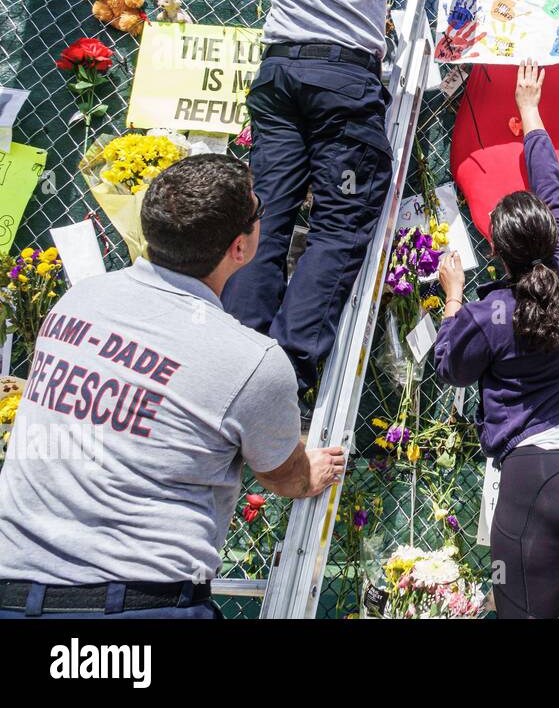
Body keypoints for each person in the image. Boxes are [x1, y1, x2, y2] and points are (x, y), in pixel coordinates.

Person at [222, 0, 494, 407]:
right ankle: (287, 373)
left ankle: (236, 348)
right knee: (341, 224)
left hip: (279, 75)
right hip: (339, 80)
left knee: (266, 214)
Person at [0, 156, 344, 619]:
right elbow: (282, 476)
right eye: (259, 211)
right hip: (140, 604)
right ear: (240, 248)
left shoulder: (78, 301)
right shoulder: (251, 360)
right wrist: (308, 472)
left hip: (14, 592)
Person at [433, 60, 559, 620]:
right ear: (554, 232)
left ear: (495, 253)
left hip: (541, 482)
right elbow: (551, 180)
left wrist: (453, 294)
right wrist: (530, 109)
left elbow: (449, 364)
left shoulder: (489, 314)